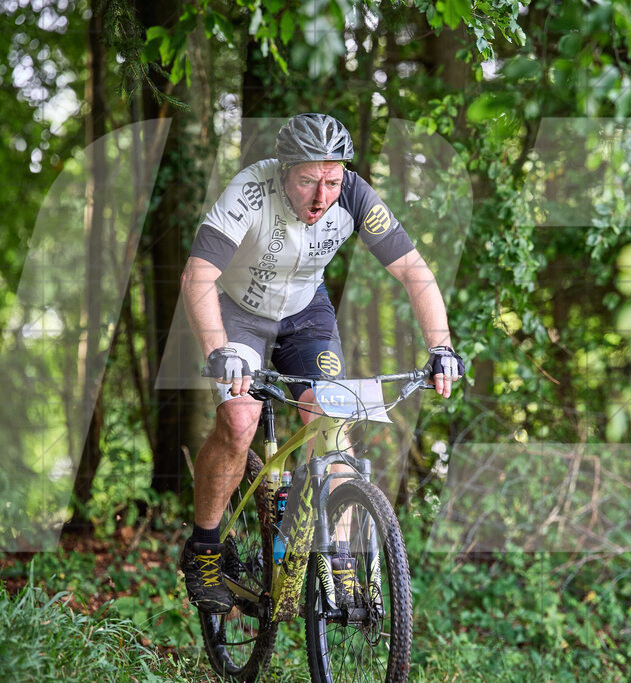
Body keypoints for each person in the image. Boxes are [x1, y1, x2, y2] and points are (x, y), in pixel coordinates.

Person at [179, 113, 465, 613]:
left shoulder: (354, 194)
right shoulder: (251, 189)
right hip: (238, 315)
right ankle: (204, 548)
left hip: (305, 314)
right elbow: (198, 274)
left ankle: (341, 562)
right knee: (240, 419)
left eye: (331, 181)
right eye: (308, 180)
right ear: (283, 169)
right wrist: (218, 352)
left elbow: (413, 270)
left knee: (330, 420)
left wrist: (441, 346)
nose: (321, 196)